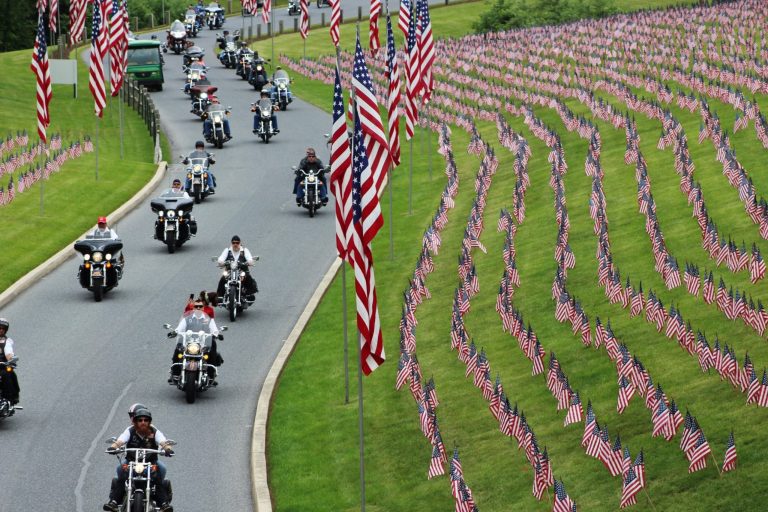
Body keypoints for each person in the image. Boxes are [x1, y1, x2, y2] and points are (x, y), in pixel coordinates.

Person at [103, 408, 174, 512]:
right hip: (131, 462)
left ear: (149, 422)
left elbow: (163, 442)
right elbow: (120, 440)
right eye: (140, 420)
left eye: (145, 420)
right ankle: (113, 502)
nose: (143, 422)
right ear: (135, 422)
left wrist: (168, 449)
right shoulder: (130, 431)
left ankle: (163, 503)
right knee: (121, 472)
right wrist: (113, 447)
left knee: (159, 473)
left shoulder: (154, 431)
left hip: (150, 463)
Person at [169, 297, 223, 383]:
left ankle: (211, 374)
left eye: (200, 306)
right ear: (193, 308)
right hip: (189, 341)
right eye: (196, 306)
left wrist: (217, 334)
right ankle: (175, 373)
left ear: (203, 307)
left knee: (212, 344)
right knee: (178, 350)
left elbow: (214, 330)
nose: (198, 308)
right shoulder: (187, 319)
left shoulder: (208, 319)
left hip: (204, 342)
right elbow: (179, 328)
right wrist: (175, 332)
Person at [217, 235, 258, 301]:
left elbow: (249, 258)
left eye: (237, 243)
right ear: (231, 243)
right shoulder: (227, 250)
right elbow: (221, 258)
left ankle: (249, 294)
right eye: (233, 243)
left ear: (240, 243)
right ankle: (220, 296)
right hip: (230, 271)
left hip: (242, 270)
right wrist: (221, 262)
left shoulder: (244, 250)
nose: (235, 244)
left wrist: (249, 262)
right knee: (223, 278)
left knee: (248, 277)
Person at [0, 318, 20, 406]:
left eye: (3, 328)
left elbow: (8, 352)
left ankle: (11, 398)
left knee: (8, 374)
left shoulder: (7, 341)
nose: (1, 330)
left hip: (2, 366)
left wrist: (11, 359)